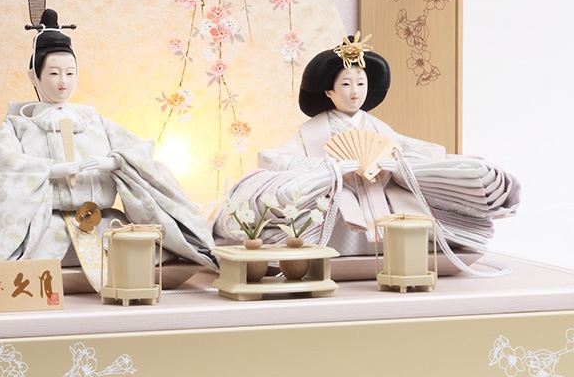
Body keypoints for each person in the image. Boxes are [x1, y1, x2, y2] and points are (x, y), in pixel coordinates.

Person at [0, 10, 217, 285]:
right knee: (16, 260)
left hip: (102, 222)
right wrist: (50, 170)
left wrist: (114, 161)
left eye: (70, 73)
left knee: (144, 246)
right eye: (54, 73)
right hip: (46, 226)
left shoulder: (92, 119)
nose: (63, 82)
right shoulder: (20, 123)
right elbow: (5, 158)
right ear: (34, 76)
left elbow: (137, 147)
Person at [214, 32, 519, 263]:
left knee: (409, 228)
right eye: (346, 84)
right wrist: (328, 169)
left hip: (380, 200)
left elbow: (428, 150)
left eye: (360, 84)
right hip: (337, 204)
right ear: (329, 92)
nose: (354, 92)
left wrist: (397, 167)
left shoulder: (379, 130)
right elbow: (274, 158)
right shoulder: (311, 133)